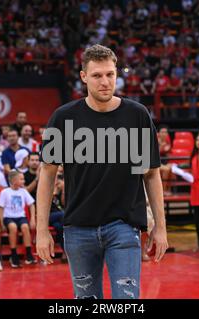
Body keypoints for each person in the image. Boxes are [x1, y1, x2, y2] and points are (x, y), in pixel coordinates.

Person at [36, 44, 168, 299]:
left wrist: (160, 226)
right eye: (97, 75)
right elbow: (47, 173)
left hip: (124, 226)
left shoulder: (137, 115)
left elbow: (151, 174)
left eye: (110, 74)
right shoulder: (62, 118)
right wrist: (42, 231)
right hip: (78, 228)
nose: (105, 82)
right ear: (84, 77)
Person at [0, 170, 36, 268]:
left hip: (21, 216)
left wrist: (32, 219)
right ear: (14, 180)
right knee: (13, 227)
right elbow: (1, 208)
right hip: (9, 217)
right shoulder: (5, 192)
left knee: (25, 227)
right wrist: (1, 223)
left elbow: (31, 205)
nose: (24, 181)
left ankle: (28, 254)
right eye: (21, 179)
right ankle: (14, 255)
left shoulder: (23, 191)